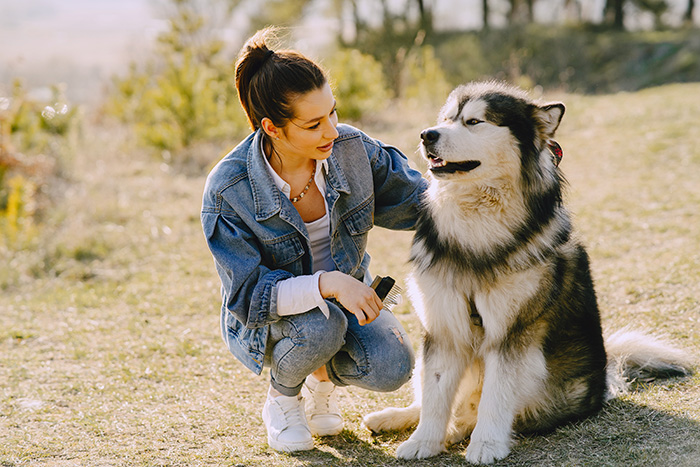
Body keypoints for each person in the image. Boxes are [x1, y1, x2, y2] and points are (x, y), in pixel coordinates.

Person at [201, 28, 428, 453]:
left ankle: (321, 381)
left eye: (333, 113)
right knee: (321, 323)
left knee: (394, 365)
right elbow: (249, 298)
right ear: (272, 128)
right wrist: (330, 284)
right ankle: (283, 399)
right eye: (313, 124)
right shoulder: (227, 190)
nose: (332, 131)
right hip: (271, 321)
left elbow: (423, 201)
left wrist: (490, 180)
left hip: (345, 304)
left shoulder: (351, 150)